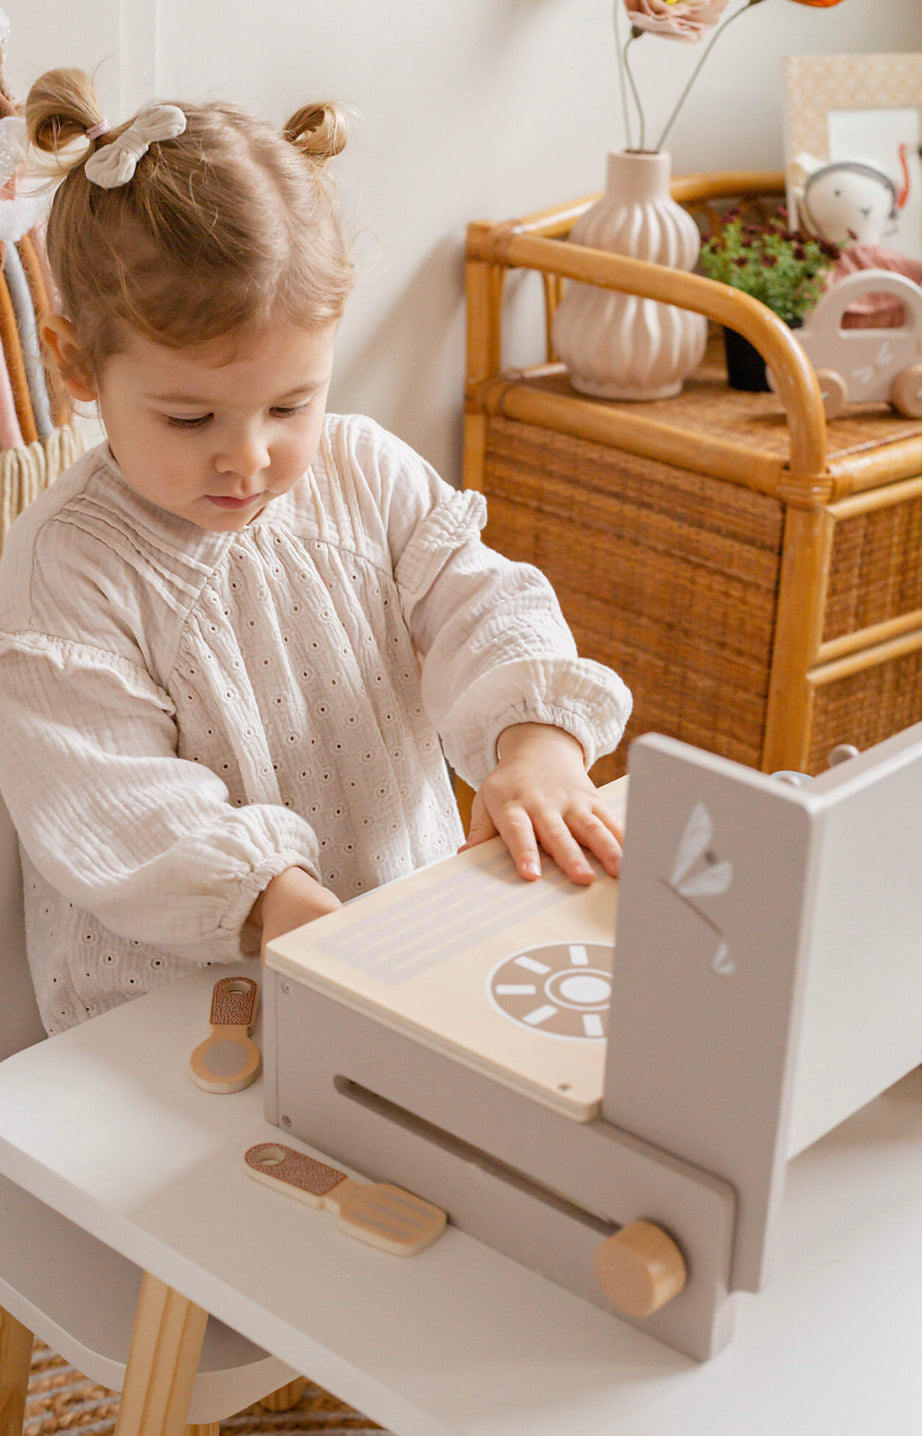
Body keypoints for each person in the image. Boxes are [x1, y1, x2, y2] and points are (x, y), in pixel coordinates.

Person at [0, 70, 631, 1036]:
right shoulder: (65, 566)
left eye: (291, 405)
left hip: (390, 939)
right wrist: (273, 901)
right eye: (190, 415)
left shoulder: (365, 473)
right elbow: (114, 802)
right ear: (77, 362)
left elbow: (480, 601)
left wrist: (534, 742)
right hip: (181, 1004)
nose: (248, 457)